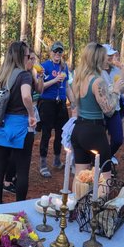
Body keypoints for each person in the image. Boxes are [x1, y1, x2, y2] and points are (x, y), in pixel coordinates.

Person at [0, 41, 37, 204]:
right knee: (22, 171)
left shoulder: (1, 75)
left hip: (1, 125)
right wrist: (31, 114)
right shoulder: (24, 75)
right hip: (21, 127)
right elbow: (26, 96)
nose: (30, 58)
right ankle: (19, 208)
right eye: (28, 55)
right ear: (21, 57)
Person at [71, 43, 124, 185]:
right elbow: (109, 110)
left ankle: (76, 206)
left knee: (80, 179)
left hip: (79, 129)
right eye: (103, 56)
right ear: (97, 59)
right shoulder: (97, 81)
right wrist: (116, 91)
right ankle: (98, 207)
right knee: (104, 180)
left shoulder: (79, 78)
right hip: (94, 132)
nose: (106, 60)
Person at [3, 49, 44, 194]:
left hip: (25, 116)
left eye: (33, 59)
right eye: (29, 58)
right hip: (20, 117)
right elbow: (26, 97)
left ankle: (11, 178)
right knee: (16, 150)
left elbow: (40, 90)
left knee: (19, 149)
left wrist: (40, 77)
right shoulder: (21, 75)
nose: (32, 62)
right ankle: (8, 180)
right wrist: (31, 114)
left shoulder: (30, 74)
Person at [38, 41, 76, 178]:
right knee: (46, 133)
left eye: (60, 52)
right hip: (47, 103)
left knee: (61, 133)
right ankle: (42, 164)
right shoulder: (44, 66)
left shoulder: (64, 67)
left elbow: (67, 87)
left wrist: (73, 103)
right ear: (51, 52)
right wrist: (55, 80)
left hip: (61, 104)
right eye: (55, 51)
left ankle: (56, 160)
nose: (57, 54)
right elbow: (40, 87)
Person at [101, 44, 124, 163]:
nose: (111, 57)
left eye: (112, 55)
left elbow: (123, 88)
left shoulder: (116, 70)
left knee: (118, 140)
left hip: (115, 108)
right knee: (99, 140)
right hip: (100, 110)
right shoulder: (96, 70)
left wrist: (123, 69)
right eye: (109, 55)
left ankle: (107, 157)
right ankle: (97, 162)